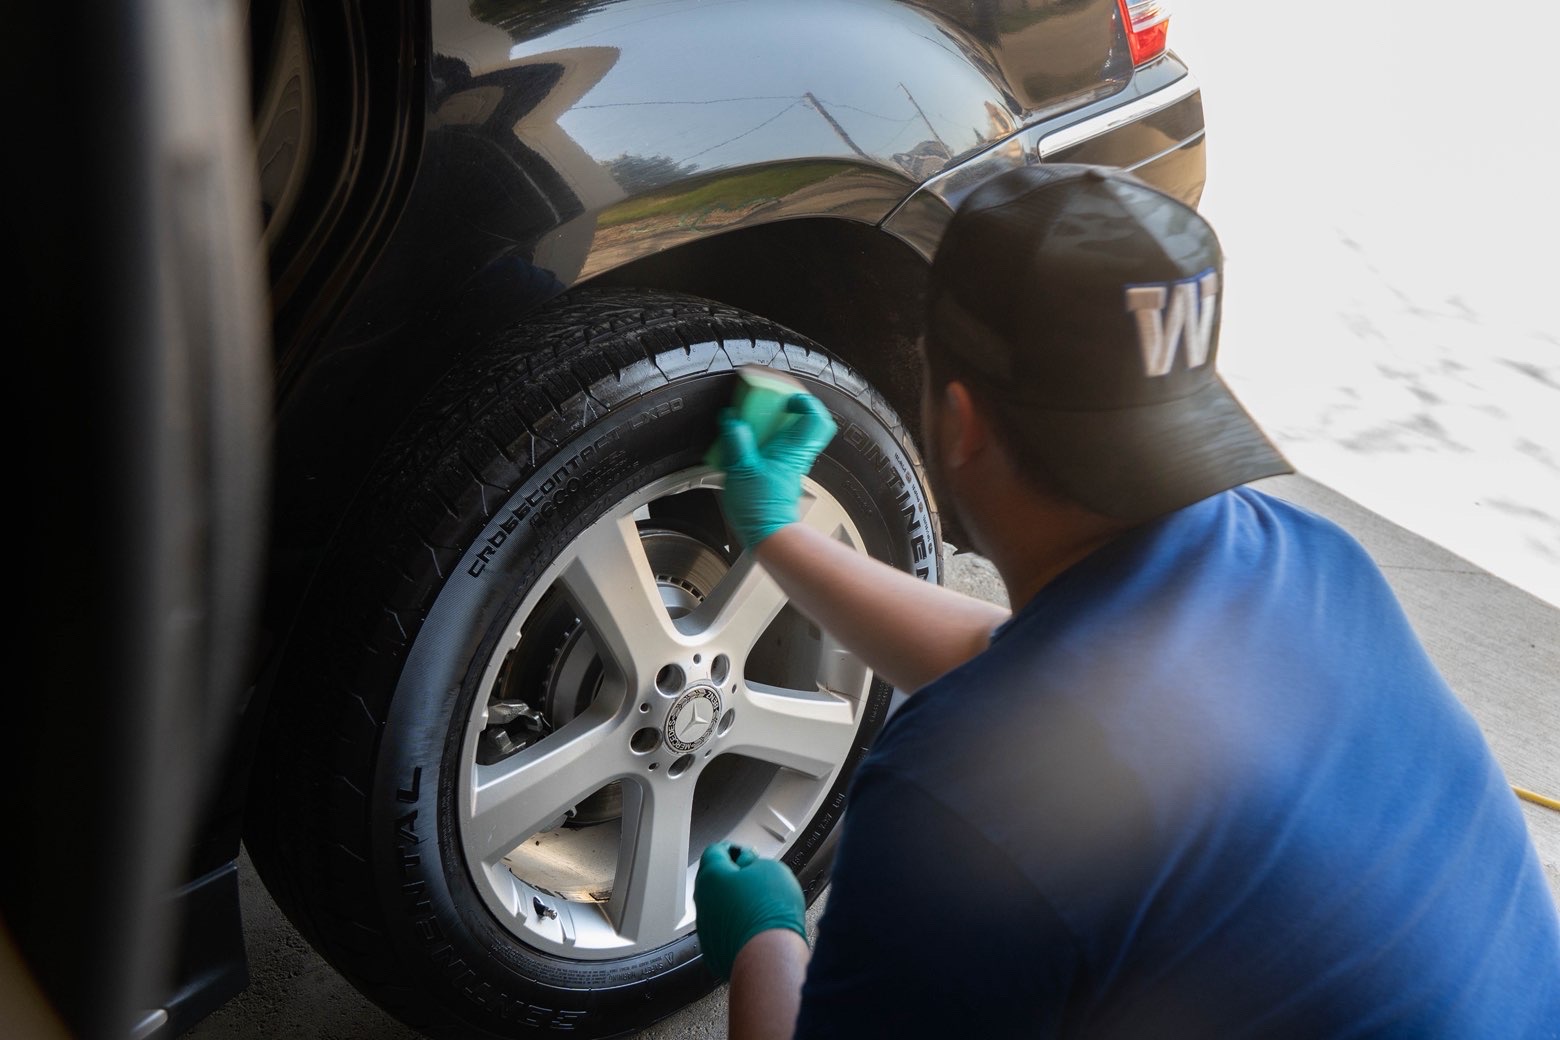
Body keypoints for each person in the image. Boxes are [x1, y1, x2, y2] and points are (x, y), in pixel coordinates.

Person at [692, 164, 1560, 1039]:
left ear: (960, 422)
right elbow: (1027, 666)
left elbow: (1029, 711)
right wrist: (780, 535)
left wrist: (768, 941)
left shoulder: (961, 793)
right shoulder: (1312, 562)